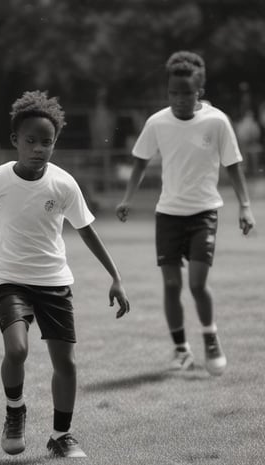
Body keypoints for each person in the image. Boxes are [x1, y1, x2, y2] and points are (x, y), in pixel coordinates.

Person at [0, 91, 129, 458]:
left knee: (66, 363)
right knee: (17, 349)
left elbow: (86, 229)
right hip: (8, 279)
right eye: (31, 141)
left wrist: (115, 276)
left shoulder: (64, 184)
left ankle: (61, 435)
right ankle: (15, 410)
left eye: (47, 142)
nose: (39, 148)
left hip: (54, 282)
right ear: (15, 142)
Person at [116, 51, 256, 375]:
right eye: (173, 93)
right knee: (170, 285)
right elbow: (139, 161)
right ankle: (181, 349)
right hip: (168, 214)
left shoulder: (217, 121)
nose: (179, 99)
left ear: (200, 92)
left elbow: (233, 166)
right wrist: (127, 199)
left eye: (186, 93)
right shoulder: (157, 122)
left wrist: (246, 206)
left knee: (196, 283)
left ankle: (210, 338)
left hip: (204, 212)